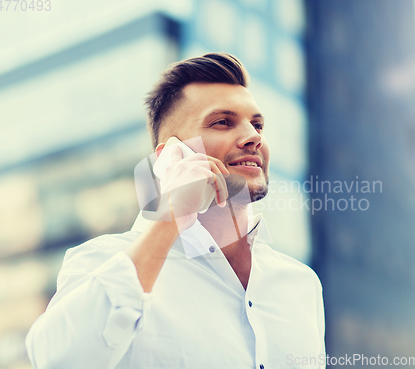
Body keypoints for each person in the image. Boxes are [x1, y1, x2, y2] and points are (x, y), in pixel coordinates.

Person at [26, 52, 325, 369]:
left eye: (258, 125)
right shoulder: (103, 260)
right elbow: (57, 360)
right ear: (171, 155)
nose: (253, 137)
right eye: (223, 122)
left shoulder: (301, 284)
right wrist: (170, 214)